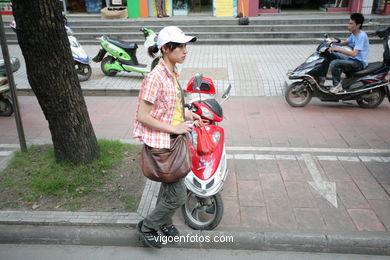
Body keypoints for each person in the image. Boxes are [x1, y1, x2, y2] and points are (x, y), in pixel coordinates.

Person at [133, 26, 200, 249]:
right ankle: (148, 226)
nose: (185, 50)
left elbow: (170, 107)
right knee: (178, 195)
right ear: (166, 49)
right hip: (163, 144)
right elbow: (143, 116)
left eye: (185, 46)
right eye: (180, 46)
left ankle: (164, 221)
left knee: (168, 188)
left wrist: (189, 116)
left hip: (173, 141)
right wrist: (177, 129)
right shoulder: (155, 78)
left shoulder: (171, 73)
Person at [320, 13, 369, 94]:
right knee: (329, 53)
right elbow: (345, 42)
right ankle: (321, 78)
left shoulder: (361, 36)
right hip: (352, 59)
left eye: (351, 23)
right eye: (349, 23)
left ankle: (337, 86)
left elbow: (354, 54)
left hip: (359, 63)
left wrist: (337, 48)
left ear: (358, 25)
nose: (348, 25)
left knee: (335, 63)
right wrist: (332, 42)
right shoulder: (354, 34)